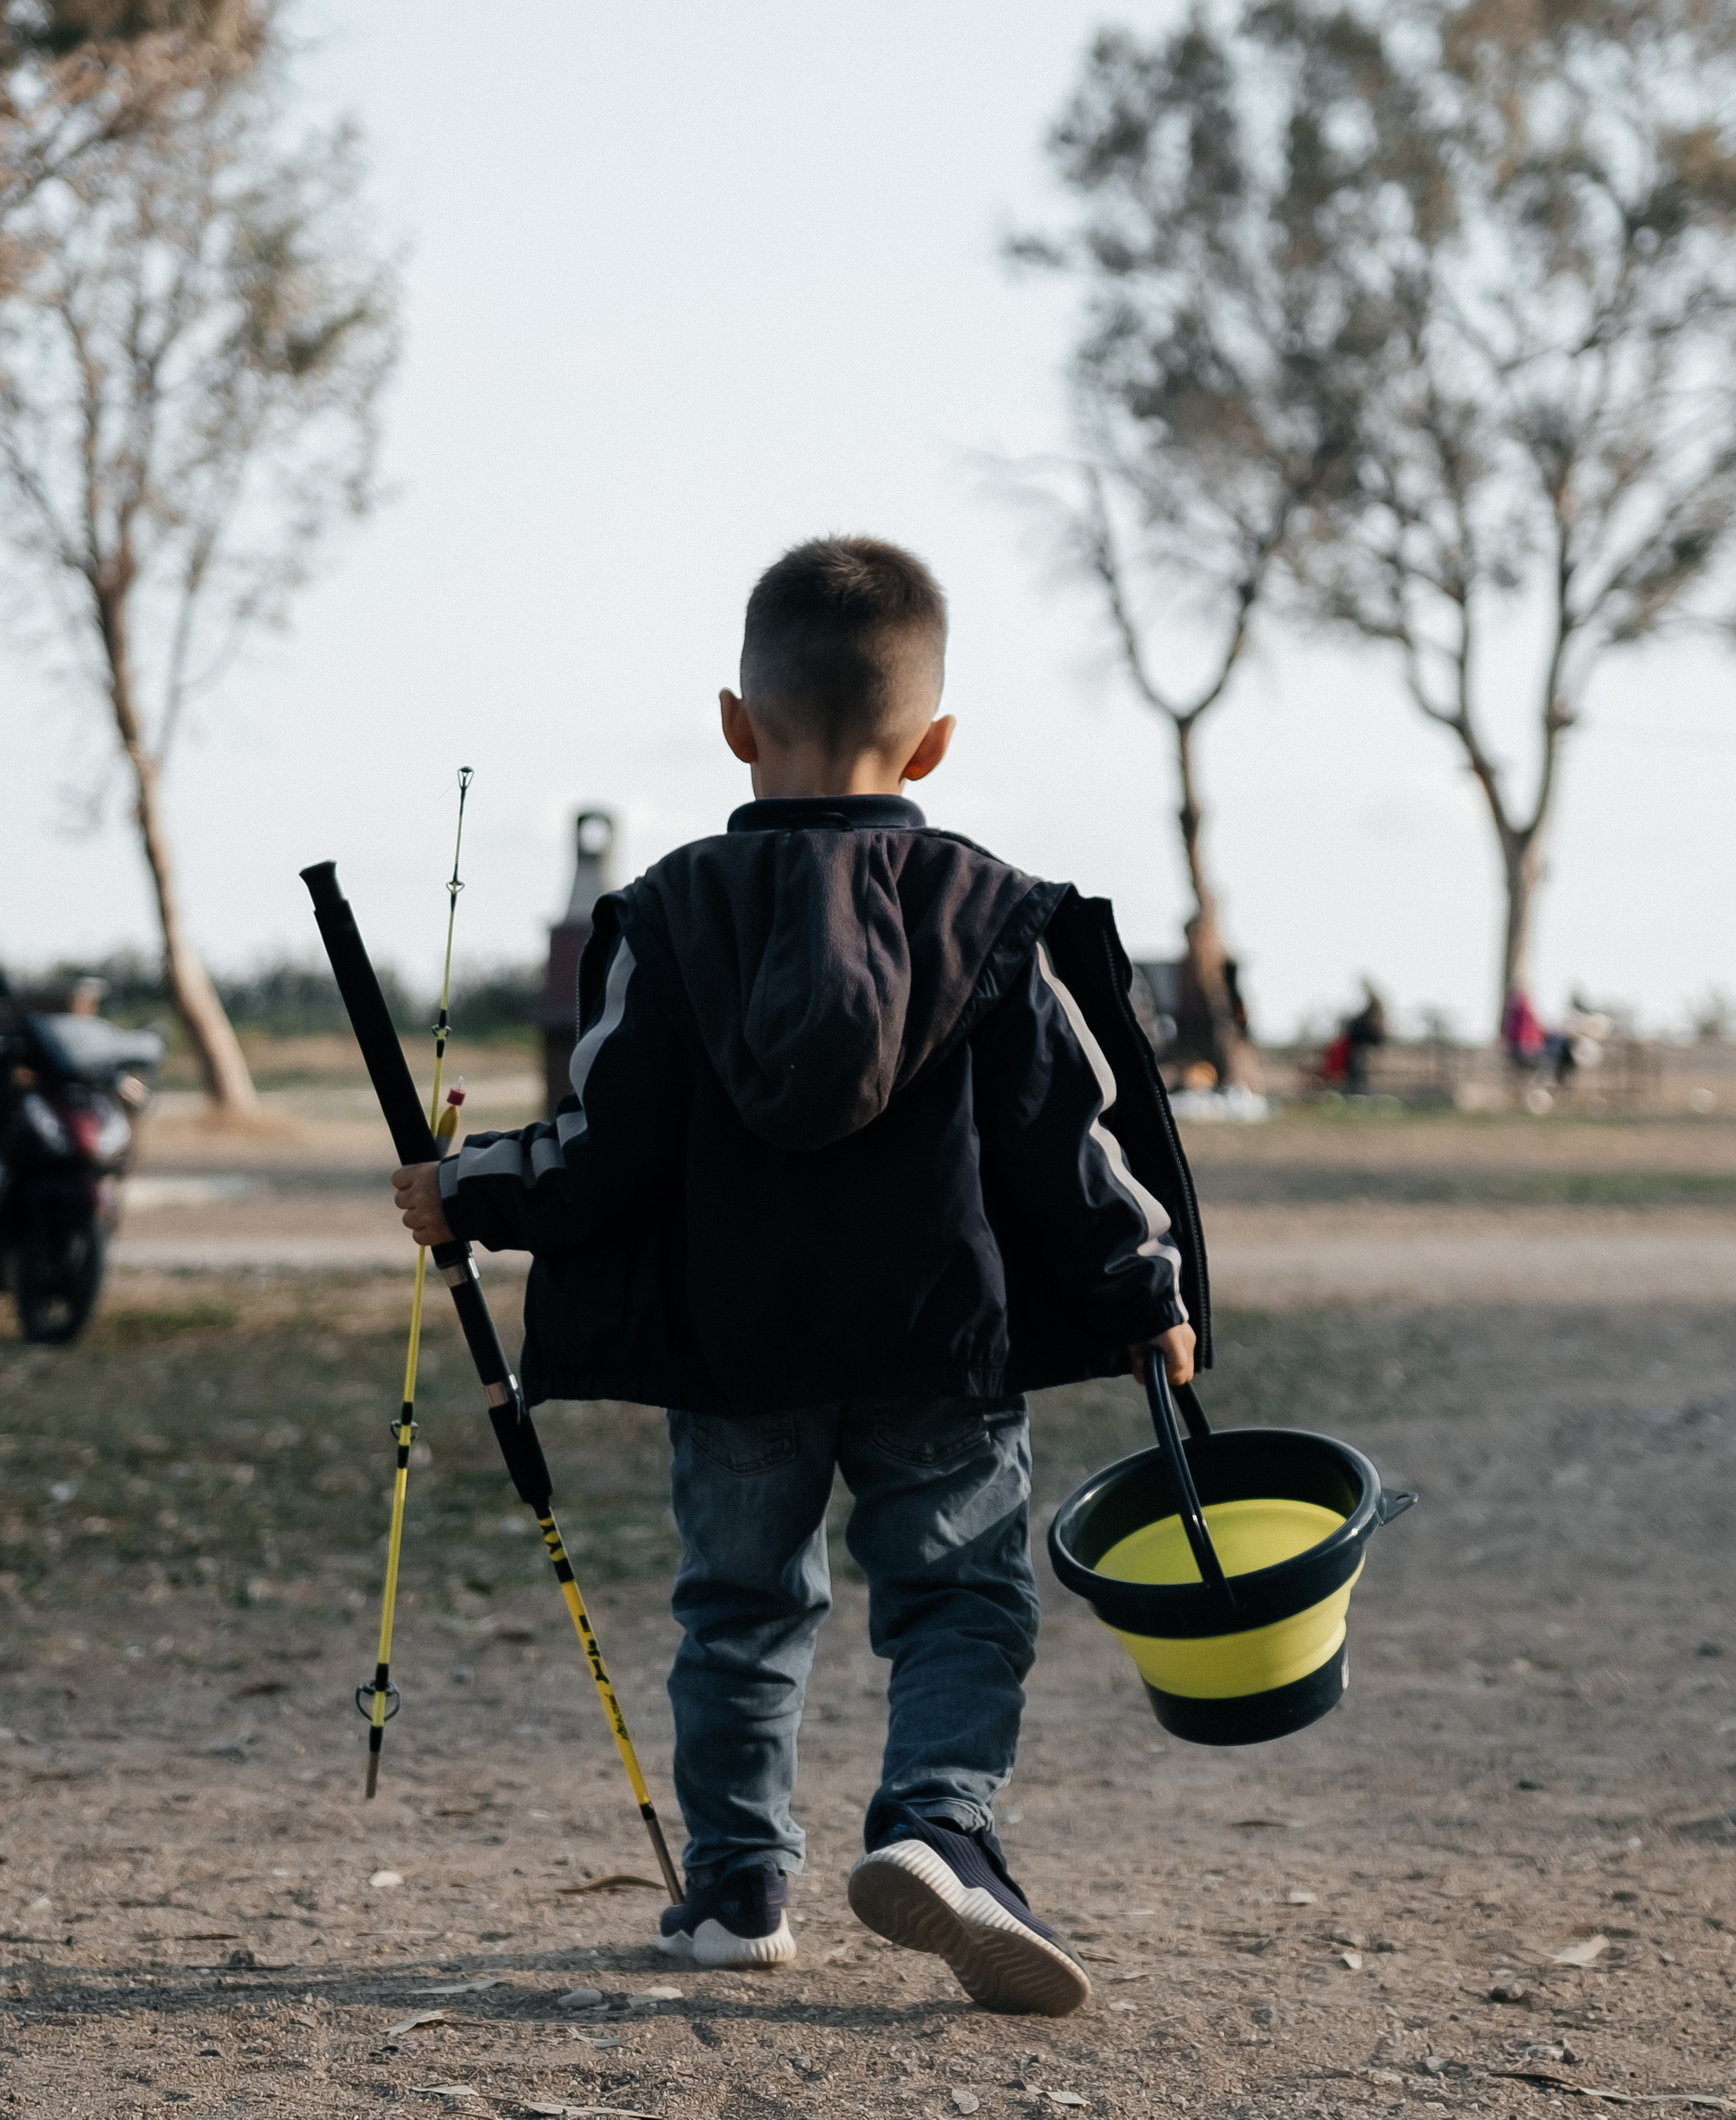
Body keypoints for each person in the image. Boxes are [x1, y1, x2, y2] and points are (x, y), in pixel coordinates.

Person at [392, 537, 1208, 2019]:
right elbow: (1069, 1138)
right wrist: (1145, 1284)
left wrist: (469, 1188)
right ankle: (940, 1823)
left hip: (738, 1342)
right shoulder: (994, 912)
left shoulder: (667, 914)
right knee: (959, 1599)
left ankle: (738, 1892)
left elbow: (604, 1146)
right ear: (933, 743)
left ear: (734, 723)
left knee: (742, 1612)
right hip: (939, 1343)